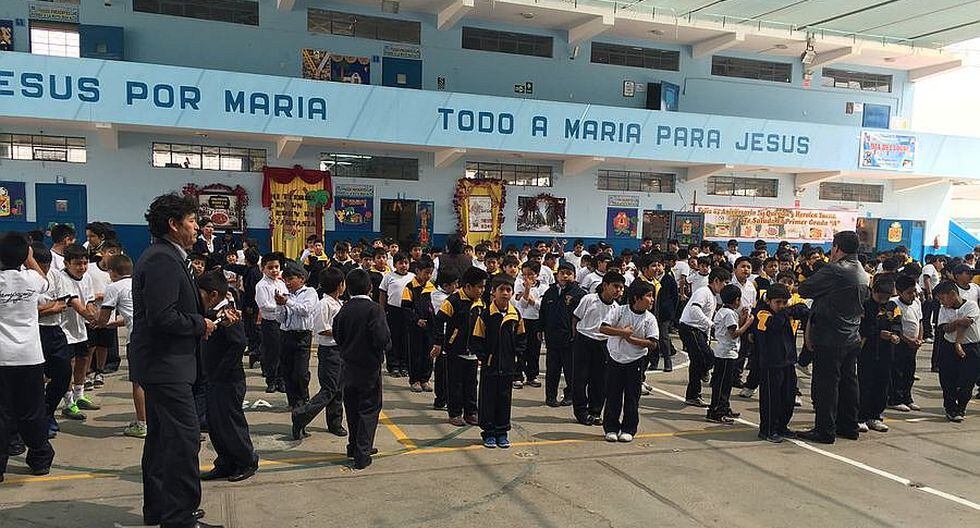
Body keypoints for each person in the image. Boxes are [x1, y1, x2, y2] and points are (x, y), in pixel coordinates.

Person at [130, 193, 219, 527]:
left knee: (160, 439)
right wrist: (199, 324)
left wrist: (204, 318)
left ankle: (158, 508)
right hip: (165, 365)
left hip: (165, 364)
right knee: (184, 439)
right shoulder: (162, 260)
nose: (197, 228)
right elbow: (162, 316)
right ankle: (180, 517)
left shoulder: (169, 256)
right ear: (173, 224)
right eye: (192, 221)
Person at [797, 231, 870, 445]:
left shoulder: (835, 269)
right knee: (848, 383)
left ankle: (825, 430)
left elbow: (805, 288)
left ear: (837, 248)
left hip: (830, 336)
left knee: (826, 385)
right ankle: (848, 426)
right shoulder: (862, 270)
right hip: (852, 334)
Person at [0, 234, 55, 482]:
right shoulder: (32, 279)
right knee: (32, 410)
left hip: (3, 357)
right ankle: (40, 458)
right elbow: (46, 282)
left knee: (3, 412)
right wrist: (29, 258)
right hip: (30, 356)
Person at [196, 271, 257, 483]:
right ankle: (225, 462)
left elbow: (238, 343)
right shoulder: (211, 313)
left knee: (231, 423)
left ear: (213, 294)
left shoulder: (228, 315)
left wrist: (222, 370)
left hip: (228, 380)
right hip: (213, 378)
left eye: (200, 293)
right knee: (215, 423)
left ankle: (246, 461)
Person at [333, 269, 391, 470]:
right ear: (370, 288)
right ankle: (362, 452)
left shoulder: (344, 309)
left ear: (347, 288)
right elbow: (382, 337)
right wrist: (386, 347)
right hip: (369, 367)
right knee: (369, 409)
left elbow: (337, 334)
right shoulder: (374, 310)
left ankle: (354, 445)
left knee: (352, 407)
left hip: (348, 366)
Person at [599, 280, 659, 443]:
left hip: (636, 360)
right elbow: (603, 328)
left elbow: (653, 343)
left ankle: (628, 429)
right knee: (613, 395)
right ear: (636, 298)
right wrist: (622, 332)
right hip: (615, 358)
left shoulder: (650, 319)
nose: (652, 299)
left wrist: (631, 339)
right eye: (648, 296)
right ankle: (611, 428)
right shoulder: (619, 311)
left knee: (632, 396)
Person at [292, 267, 348, 440]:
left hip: (339, 350)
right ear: (339, 285)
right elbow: (322, 329)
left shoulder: (338, 302)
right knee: (329, 390)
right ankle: (301, 415)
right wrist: (343, 333)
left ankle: (335, 423)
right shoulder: (324, 304)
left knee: (338, 389)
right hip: (329, 351)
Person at [471, 274, 526, 449]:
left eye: (508, 290)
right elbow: (477, 338)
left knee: (504, 399)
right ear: (493, 292)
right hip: (490, 366)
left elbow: (521, 338)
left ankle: (502, 432)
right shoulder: (486, 315)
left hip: (507, 367)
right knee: (488, 399)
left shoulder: (515, 315)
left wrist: (515, 356)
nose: (505, 293)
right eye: (501, 289)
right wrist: (483, 357)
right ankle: (488, 432)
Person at [753, 284, 810, 443]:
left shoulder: (786, 312)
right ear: (769, 301)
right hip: (771, 363)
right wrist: (786, 312)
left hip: (788, 361)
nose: (781, 306)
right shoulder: (762, 313)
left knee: (788, 397)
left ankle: (782, 426)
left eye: (785, 302)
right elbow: (773, 324)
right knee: (772, 399)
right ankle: (768, 430)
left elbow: (804, 309)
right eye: (778, 302)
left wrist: (789, 310)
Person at [432, 267, 487, 426]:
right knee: (455, 383)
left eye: (483, 287)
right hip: (455, 349)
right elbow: (439, 320)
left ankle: (471, 412)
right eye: (479, 287)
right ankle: (455, 413)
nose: (482, 290)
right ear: (468, 286)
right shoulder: (453, 301)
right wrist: (439, 342)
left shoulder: (480, 302)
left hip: (473, 352)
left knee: (471, 383)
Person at [571, 271, 626, 426]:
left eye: (621, 288)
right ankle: (581, 412)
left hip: (603, 344)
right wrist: (575, 337)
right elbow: (576, 318)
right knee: (580, 379)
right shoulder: (589, 299)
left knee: (600, 380)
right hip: (584, 340)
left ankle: (595, 412)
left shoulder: (617, 308)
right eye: (615, 286)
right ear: (605, 285)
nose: (618, 290)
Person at [678, 268, 731, 408]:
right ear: (716, 281)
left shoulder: (713, 296)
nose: (726, 286)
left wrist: (707, 337)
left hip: (699, 331)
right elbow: (695, 309)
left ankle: (693, 395)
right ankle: (704, 372)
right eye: (725, 283)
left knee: (696, 363)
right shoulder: (703, 292)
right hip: (690, 328)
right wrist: (711, 324)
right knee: (708, 357)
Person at [858, 277, 902, 434]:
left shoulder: (892, 307)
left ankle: (875, 415)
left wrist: (895, 334)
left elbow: (897, 323)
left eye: (887, 296)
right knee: (864, 384)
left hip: (886, 351)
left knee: (882, 385)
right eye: (881, 295)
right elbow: (861, 327)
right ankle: (860, 416)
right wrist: (877, 334)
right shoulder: (865, 306)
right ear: (874, 292)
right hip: (867, 350)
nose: (884, 299)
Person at [933, 280, 980, 422]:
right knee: (947, 379)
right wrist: (958, 322)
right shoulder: (944, 309)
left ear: (952, 294)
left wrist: (958, 341)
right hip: (949, 346)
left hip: (970, 347)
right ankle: (950, 408)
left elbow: (966, 323)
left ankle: (962, 406)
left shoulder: (971, 305)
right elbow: (946, 328)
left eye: (942, 298)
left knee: (968, 380)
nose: (941, 302)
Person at [540, 263, 586, 407]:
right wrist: (540, 329)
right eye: (562, 273)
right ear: (557, 275)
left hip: (570, 339)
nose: (565, 276)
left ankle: (570, 395)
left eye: (568, 273)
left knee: (570, 370)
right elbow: (543, 312)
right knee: (552, 369)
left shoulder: (579, 294)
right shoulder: (550, 292)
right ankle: (551, 397)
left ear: (574, 276)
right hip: (552, 338)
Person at [707, 284, 754, 424]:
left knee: (726, 384)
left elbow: (733, 327)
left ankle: (724, 407)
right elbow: (734, 333)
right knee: (722, 384)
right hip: (725, 353)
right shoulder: (728, 314)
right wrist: (748, 323)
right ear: (737, 300)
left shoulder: (725, 311)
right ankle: (716, 411)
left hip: (726, 352)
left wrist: (742, 318)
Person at [276, 265, 318, 410]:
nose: (287, 283)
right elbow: (280, 319)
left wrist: (287, 302)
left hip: (302, 335)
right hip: (286, 334)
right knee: (287, 369)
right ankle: (293, 400)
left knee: (300, 371)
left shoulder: (309, 292)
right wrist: (280, 305)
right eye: (285, 280)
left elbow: (305, 310)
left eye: (290, 279)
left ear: (301, 279)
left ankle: (303, 397)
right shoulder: (285, 295)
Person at [401, 258, 437, 393]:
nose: (428, 276)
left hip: (429, 327)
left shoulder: (431, 288)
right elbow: (405, 308)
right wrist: (416, 320)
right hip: (415, 327)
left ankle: (425, 379)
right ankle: (415, 380)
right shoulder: (410, 287)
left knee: (428, 354)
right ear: (417, 271)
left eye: (430, 273)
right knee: (415, 353)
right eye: (426, 272)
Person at [889, 275, 923, 413]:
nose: (912, 295)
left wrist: (919, 339)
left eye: (914, 291)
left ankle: (907, 397)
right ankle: (895, 399)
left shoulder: (917, 302)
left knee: (910, 372)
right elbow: (895, 327)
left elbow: (919, 321)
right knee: (898, 372)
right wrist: (908, 340)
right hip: (900, 343)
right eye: (909, 293)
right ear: (899, 292)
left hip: (914, 344)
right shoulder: (894, 304)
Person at [379, 252, 415, 378]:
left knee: (406, 339)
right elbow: (383, 294)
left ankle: (404, 365)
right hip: (393, 311)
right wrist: (382, 310)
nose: (403, 265)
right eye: (400, 263)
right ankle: (393, 365)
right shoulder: (388, 277)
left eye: (406, 263)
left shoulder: (413, 277)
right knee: (393, 338)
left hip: (408, 311)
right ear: (394, 265)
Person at [255, 253, 287, 393]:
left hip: (282, 322)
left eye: (276, 267)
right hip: (270, 322)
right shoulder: (261, 285)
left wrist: (285, 303)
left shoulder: (281, 283)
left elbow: (287, 297)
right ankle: (271, 380)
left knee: (282, 351)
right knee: (272, 352)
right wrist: (281, 305)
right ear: (263, 269)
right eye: (270, 267)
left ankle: (281, 379)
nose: (274, 270)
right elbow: (264, 305)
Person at [514, 260, 548, 389]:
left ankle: (532, 376)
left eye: (530, 274)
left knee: (534, 350)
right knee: (521, 349)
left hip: (536, 321)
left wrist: (532, 300)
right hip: (522, 320)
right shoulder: (518, 284)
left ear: (537, 274)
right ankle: (518, 376)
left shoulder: (543, 288)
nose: (527, 277)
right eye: (524, 274)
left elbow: (542, 306)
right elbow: (522, 304)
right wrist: (527, 289)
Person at [429, 269, 458, 411]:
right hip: (443, 336)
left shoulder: (451, 296)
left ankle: (447, 397)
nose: (457, 287)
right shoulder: (438, 296)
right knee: (442, 369)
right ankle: (440, 399)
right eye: (454, 284)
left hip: (452, 335)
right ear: (445, 286)